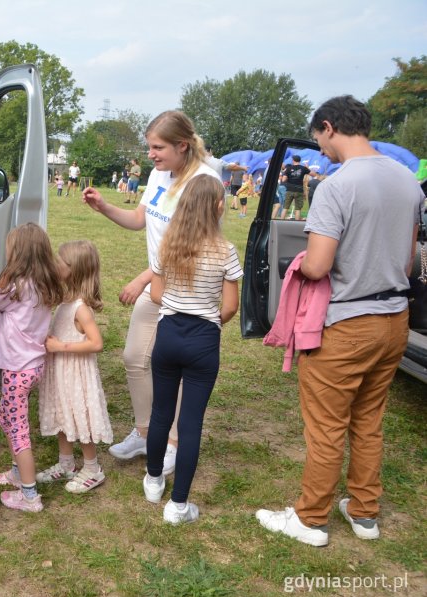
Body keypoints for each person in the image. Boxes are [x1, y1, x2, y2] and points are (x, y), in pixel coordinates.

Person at [256, 95, 424, 547]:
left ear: (329, 127)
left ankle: (310, 519)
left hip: (347, 324)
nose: (320, 150)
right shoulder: (408, 181)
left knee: (327, 427)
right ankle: (364, 512)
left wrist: (295, 263)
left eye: (318, 140)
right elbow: (409, 262)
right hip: (395, 320)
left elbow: (318, 265)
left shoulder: (337, 185)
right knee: (369, 421)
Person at [82, 110, 220, 476]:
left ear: (182, 145)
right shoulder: (160, 173)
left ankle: (172, 441)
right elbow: (139, 219)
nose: (151, 155)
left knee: (172, 367)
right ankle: (145, 432)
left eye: (158, 147)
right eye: (149, 147)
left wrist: (143, 278)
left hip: (187, 291)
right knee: (133, 358)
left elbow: (192, 245)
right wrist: (104, 207)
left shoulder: (204, 182)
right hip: (159, 284)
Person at [144, 175, 242, 524]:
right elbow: (230, 307)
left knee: (160, 412)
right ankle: (179, 505)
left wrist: (177, 302)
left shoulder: (168, 244)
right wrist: (207, 317)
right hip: (203, 339)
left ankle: (153, 480)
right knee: (190, 424)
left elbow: (156, 294)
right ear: (218, 207)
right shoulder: (225, 250)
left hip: (168, 332)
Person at [0, 222, 63, 512]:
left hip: (17, 369)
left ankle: (29, 495)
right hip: (31, 366)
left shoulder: (14, 286)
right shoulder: (44, 285)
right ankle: (17, 474)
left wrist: (1, 280)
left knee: (18, 431)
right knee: (6, 417)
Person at [36, 240, 113, 493]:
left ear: (76, 270)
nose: (56, 264)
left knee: (81, 419)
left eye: (62, 262)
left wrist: (61, 347)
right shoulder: (65, 302)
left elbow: (96, 343)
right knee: (62, 415)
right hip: (60, 373)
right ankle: (66, 463)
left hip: (76, 373)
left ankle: (92, 468)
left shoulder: (81, 309)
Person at [279, 155, 311, 220]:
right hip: (299, 190)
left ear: (293, 160)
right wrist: (307, 167)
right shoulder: (303, 168)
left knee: (285, 207)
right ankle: (296, 223)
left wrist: (287, 177)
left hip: (290, 190)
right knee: (298, 209)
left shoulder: (288, 168)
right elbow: (312, 174)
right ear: (299, 160)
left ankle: (281, 221)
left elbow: (283, 180)